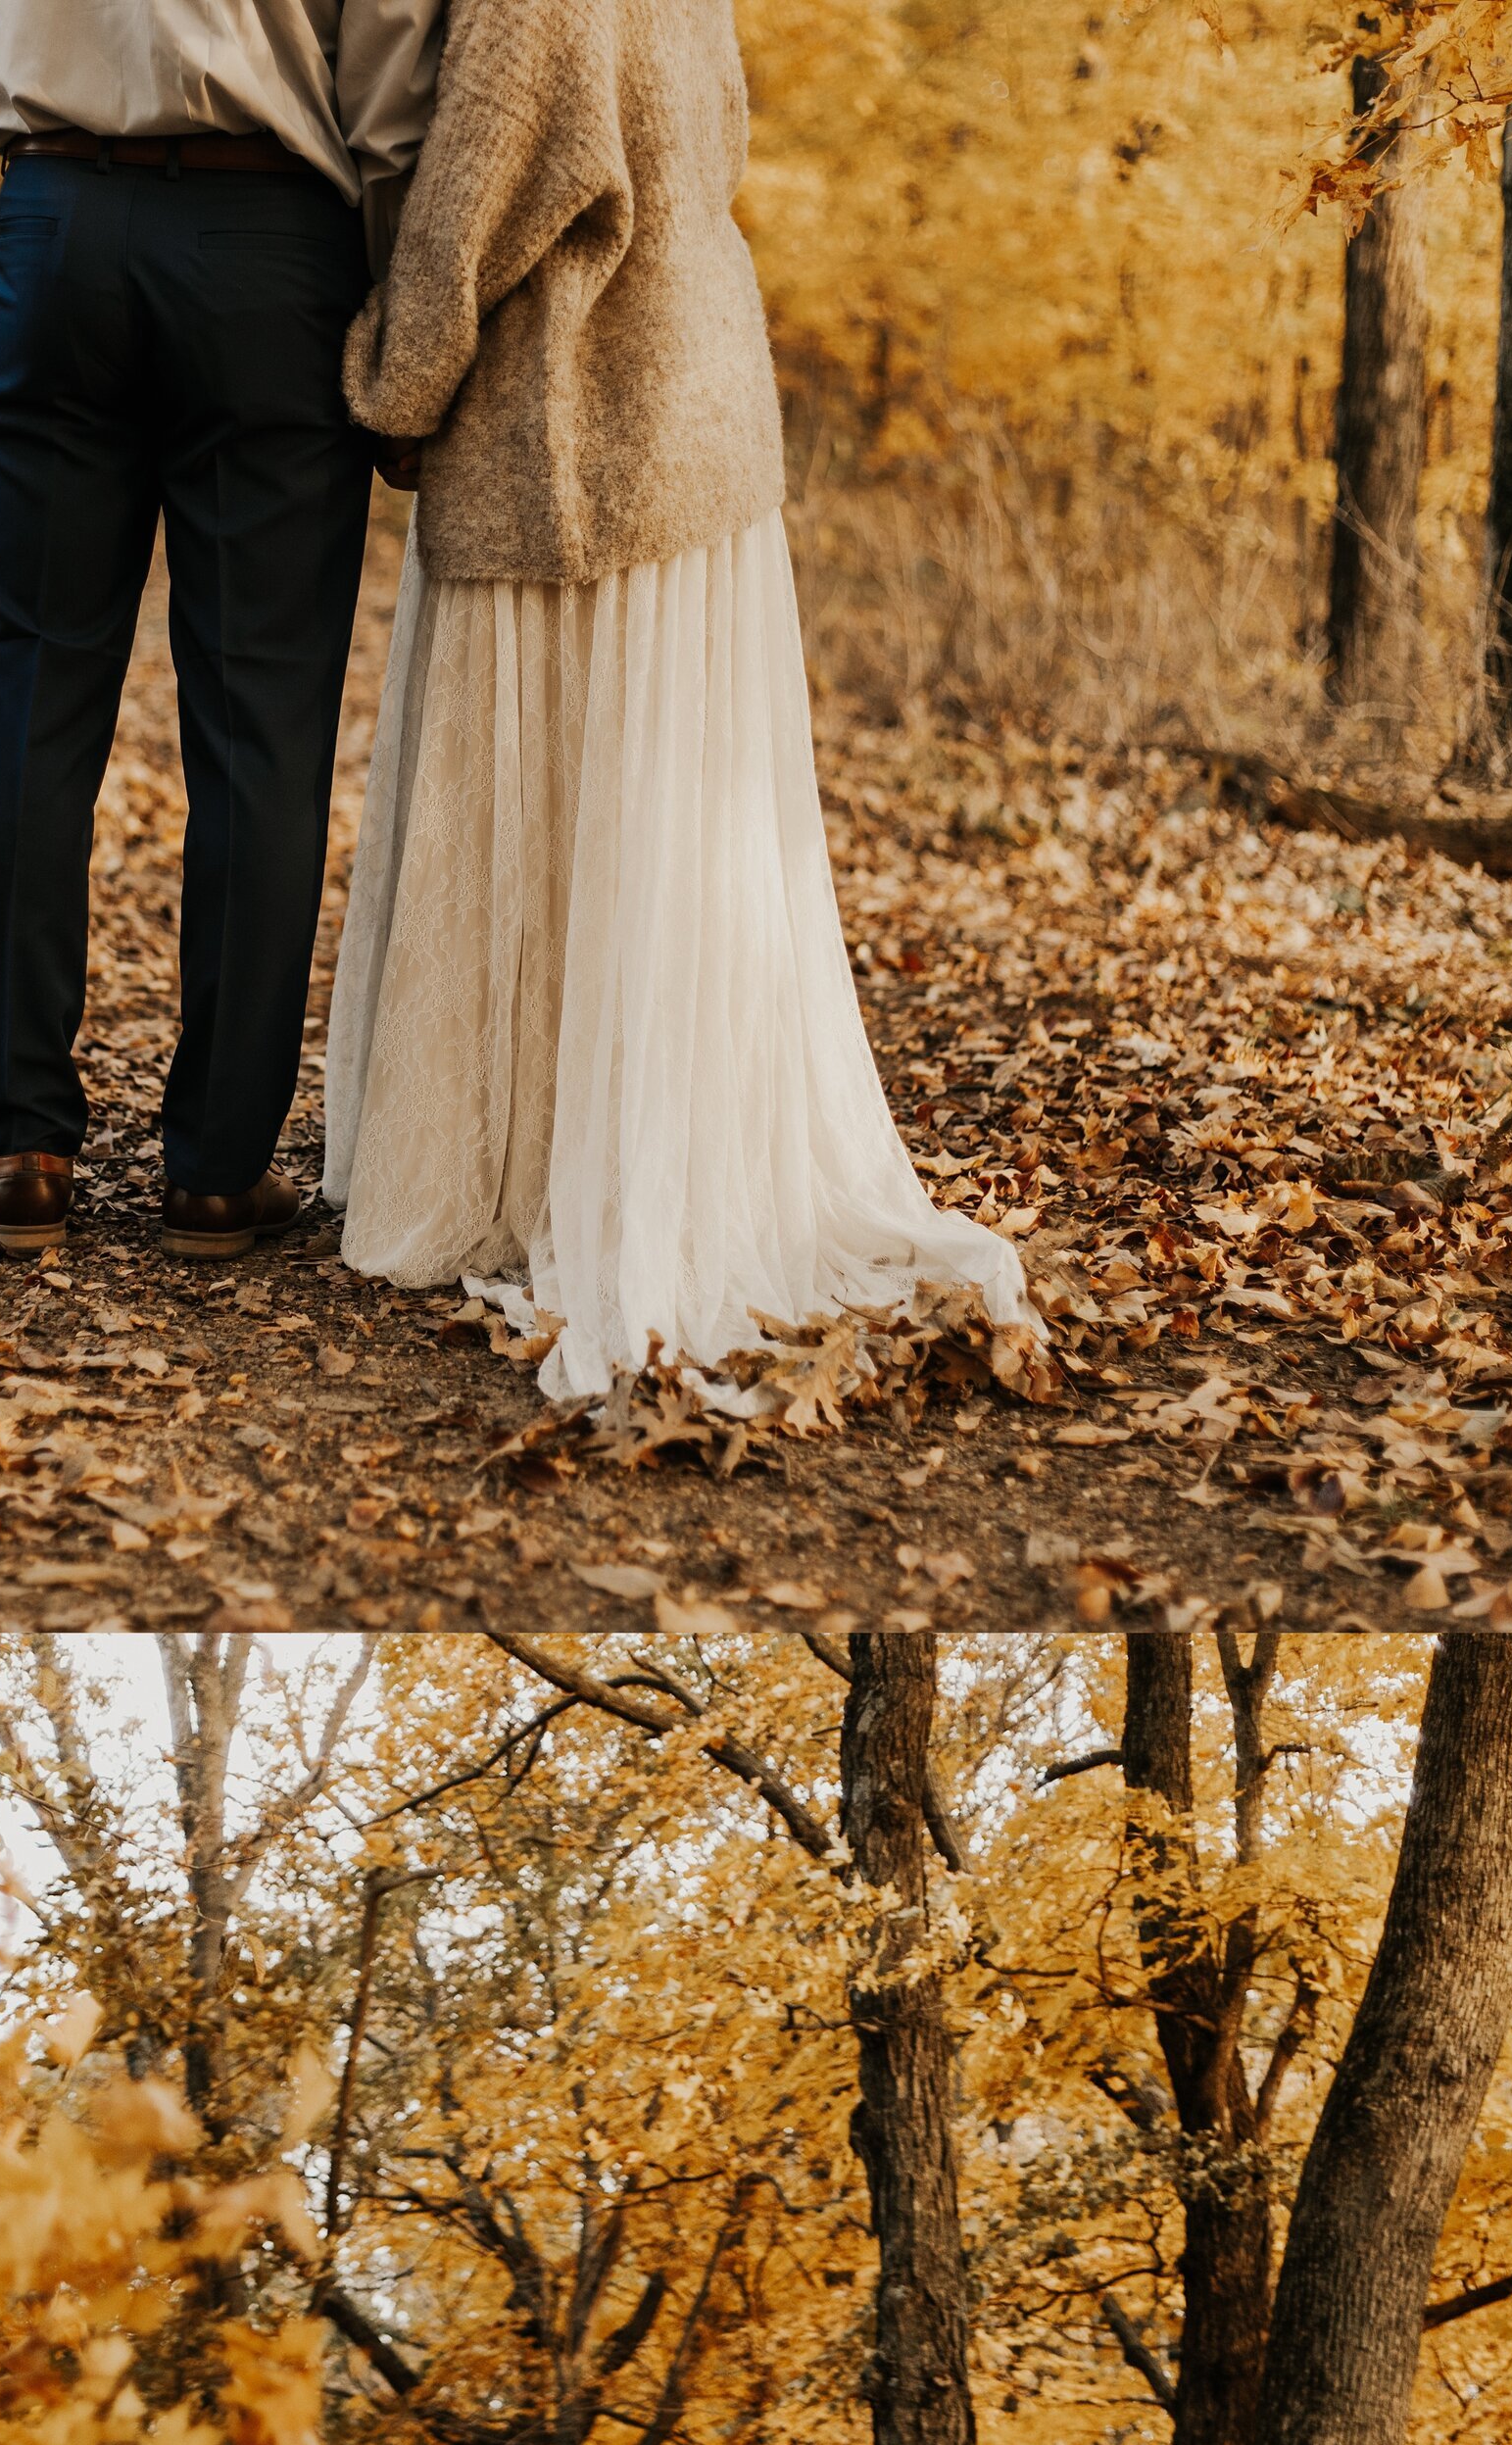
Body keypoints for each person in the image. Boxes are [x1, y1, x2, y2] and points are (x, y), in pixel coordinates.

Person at [321, 0, 1037, 1399]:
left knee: (553, 802)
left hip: (589, 424)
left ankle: (527, 1167)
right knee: (664, 826)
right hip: (699, 403)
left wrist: (391, 389)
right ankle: (632, 1140)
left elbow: (479, 195)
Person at [0, 0, 443, 1261]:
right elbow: (395, 68)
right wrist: (406, 312)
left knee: (31, 695)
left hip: (64, 230)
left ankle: (16, 1144)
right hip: (278, 258)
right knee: (264, 724)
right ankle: (218, 1173)